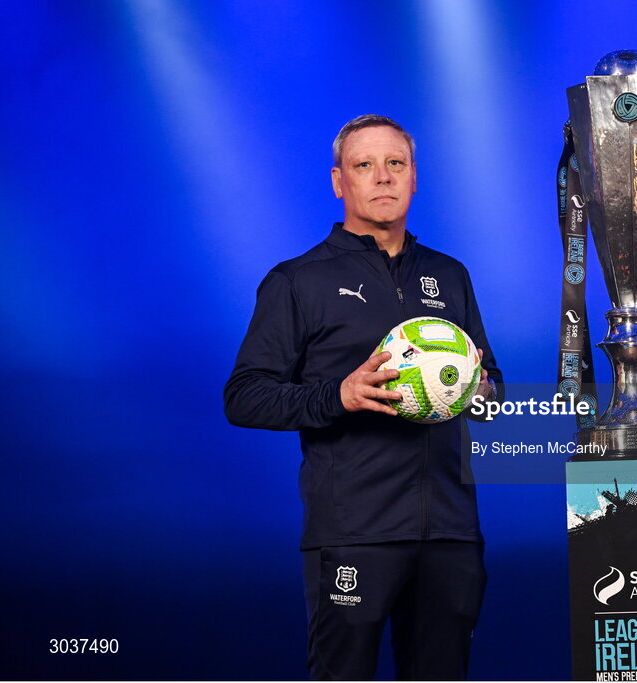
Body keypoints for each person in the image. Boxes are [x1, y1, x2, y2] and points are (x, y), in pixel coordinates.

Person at [224, 114, 502, 680]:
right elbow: (244, 396)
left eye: (395, 164)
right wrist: (338, 395)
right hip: (354, 534)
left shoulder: (450, 276)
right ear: (338, 181)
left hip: (450, 532)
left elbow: (490, 386)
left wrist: (480, 389)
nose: (382, 178)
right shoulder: (298, 280)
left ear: (414, 178)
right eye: (364, 165)